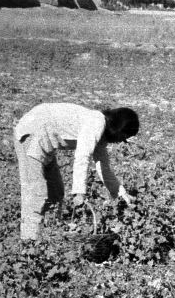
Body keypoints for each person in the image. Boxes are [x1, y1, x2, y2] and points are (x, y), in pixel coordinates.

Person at [13, 103, 139, 241]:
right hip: (31, 134)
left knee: (55, 192)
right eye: (124, 136)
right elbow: (82, 157)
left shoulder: (101, 134)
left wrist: (121, 193)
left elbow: (104, 168)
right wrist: (79, 192)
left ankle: (50, 236)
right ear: (119, 128)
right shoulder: (96, 123)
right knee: (36, 193)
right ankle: (29, 242)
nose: (121, 141)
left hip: (44, 142)